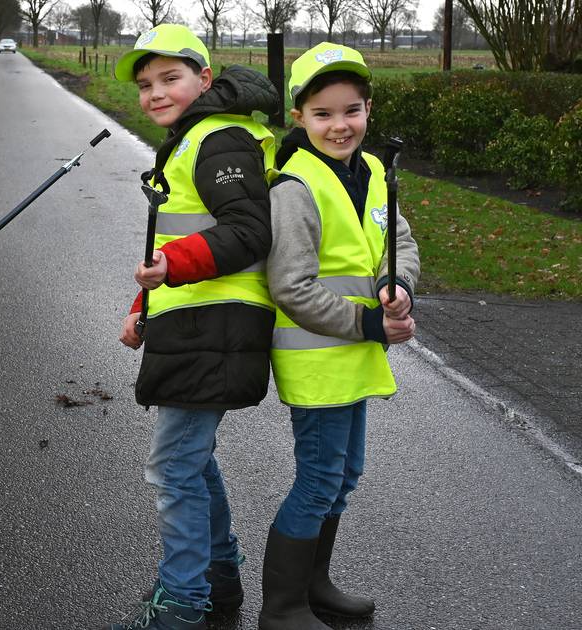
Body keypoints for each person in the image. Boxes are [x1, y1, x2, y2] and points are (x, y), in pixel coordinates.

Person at [109, 24, 278, 630]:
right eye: (146, 84)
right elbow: (176, 241)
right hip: (194, 322)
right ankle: (218, 578)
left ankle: (181, 603)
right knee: (194, 461)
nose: (155, 93)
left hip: (218, 324)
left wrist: (171, 269)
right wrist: (143, 307)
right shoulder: (191, 140)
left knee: (174, 467)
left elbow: (247, 230)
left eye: (170, 78)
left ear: (205, 80)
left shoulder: (217, 139)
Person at [259, 42, 420, 630]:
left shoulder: (375, 171)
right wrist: (370, 322)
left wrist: (397, 283)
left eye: (350, 111)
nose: (339, 125)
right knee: (319, 479)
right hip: (319, 359)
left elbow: (398, 239)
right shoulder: (294, 188)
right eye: (322, 114)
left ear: (368, 110)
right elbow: (291, 287)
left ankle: (314, 585)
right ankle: (282, 608)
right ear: (298, 117)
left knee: (343, 477)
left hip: (356, 355)